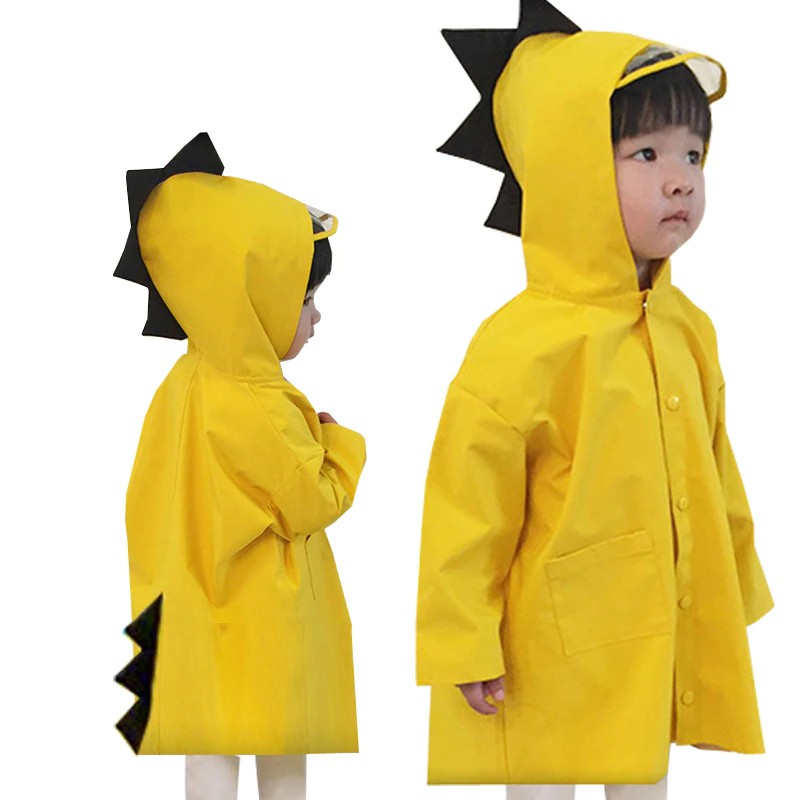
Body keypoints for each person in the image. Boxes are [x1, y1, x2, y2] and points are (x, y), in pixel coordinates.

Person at [416, 3, 773, 798]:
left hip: (648, 641)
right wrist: (462, 641)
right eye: (645, 153)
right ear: (569, 171)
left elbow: (716, 469)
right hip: (541, 654)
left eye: (693, 153)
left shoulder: (688, 329)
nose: (680, 177)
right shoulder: (520, 344)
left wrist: (732, 585)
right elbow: (466, 506)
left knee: (642, 780)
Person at [113, 132, 366, 800]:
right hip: (264, 622)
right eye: (304, 299)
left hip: (192, 614)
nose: (316, 316)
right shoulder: (259, 401)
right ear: (255, 295)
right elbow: (311, 501)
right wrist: (340, 446)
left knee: (208, 758)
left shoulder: (185, 383)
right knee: (281, 760)